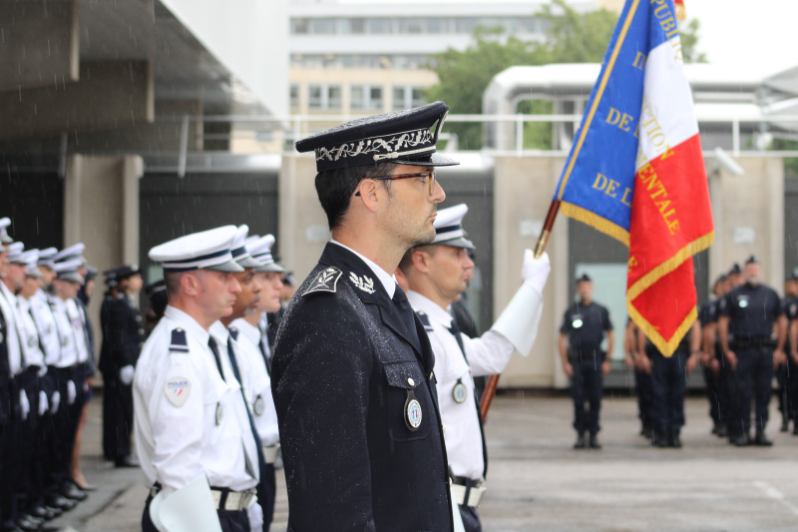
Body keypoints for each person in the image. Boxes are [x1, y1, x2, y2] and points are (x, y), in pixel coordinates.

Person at [272, 101, 456, 531]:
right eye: (423, 178)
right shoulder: (328, 317)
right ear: (371, 193)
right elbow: (331, 514)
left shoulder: (382, 301)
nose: (438, 193)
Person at [400, 203, 549, 531]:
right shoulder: (419, 334)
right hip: (442, 507)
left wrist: (531, 289)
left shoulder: (440, 328)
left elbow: (491, 355)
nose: (468, 264)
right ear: (422, 260)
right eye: (456, 254)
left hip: (458, 507)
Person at [134, 225, 260, 532]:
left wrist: (246, 504)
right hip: (197, 517)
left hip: (221, 511)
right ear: (190, 283)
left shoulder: (201, 343)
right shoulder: (178, 355)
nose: (235, 286)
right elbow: (178, 468)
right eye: (224, 277)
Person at [719, 256, 786, 446]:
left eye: (755, 269)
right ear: (745, 272)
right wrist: (726, 350)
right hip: (742, 350)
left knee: (763, 393)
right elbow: (723, 324)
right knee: (742, 394)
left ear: (760, 270)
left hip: (765, 349)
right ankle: (742, 432)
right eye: (749, 269)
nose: (753, 272)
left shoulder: (770, 294)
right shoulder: (735, 294)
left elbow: (781, 322)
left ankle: (761, 431)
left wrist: (779, 349)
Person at [559, 274, 614, 449]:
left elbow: (611, 335)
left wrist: (608, 359)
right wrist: (565, 362)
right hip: (577, 360)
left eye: (587, 286)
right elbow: (561, 337)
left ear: (591, 287)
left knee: (595, 398)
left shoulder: (600, 311)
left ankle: (593, 434)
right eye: (581, 286)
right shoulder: (572, 311)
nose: (584, 289)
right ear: (577, 289)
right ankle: (581, 433)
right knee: (578, 399)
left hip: (596, 359)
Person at [100, 265, 144, 468]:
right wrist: (126, 363)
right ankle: (120, 451)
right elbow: (119, 337)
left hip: (124, 364)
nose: (139, 281)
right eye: (135, 278)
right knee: (119, 411)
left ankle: (119, 449)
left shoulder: (126, 302)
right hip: (119, 366)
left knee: (123, 410)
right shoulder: (119, 304)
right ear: (125, 282)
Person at [638, 322, 701, 448]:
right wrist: (642, 354)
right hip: (659, 352)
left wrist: (695, 354)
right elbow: (643, 327)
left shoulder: (683, 302)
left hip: (679, 351)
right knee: (658, 394)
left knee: (677, 394)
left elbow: (695, 326)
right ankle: (661, 432)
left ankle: (674, 432)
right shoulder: (654, 304)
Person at [699, 275, 730, 438]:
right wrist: (708, 354)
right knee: (715, 390)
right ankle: (718, 421)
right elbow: (706, 331)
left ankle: (728, 421)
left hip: (729, 351)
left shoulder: (732, 304)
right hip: (714, 351)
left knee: (728, 390)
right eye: (722, 284)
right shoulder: (709, 306)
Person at [780, 268, 798, 434]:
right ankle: (789, 417)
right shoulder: (785, 304)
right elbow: (785, 327)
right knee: (788, 386)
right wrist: (785, 350)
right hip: (789, 352)